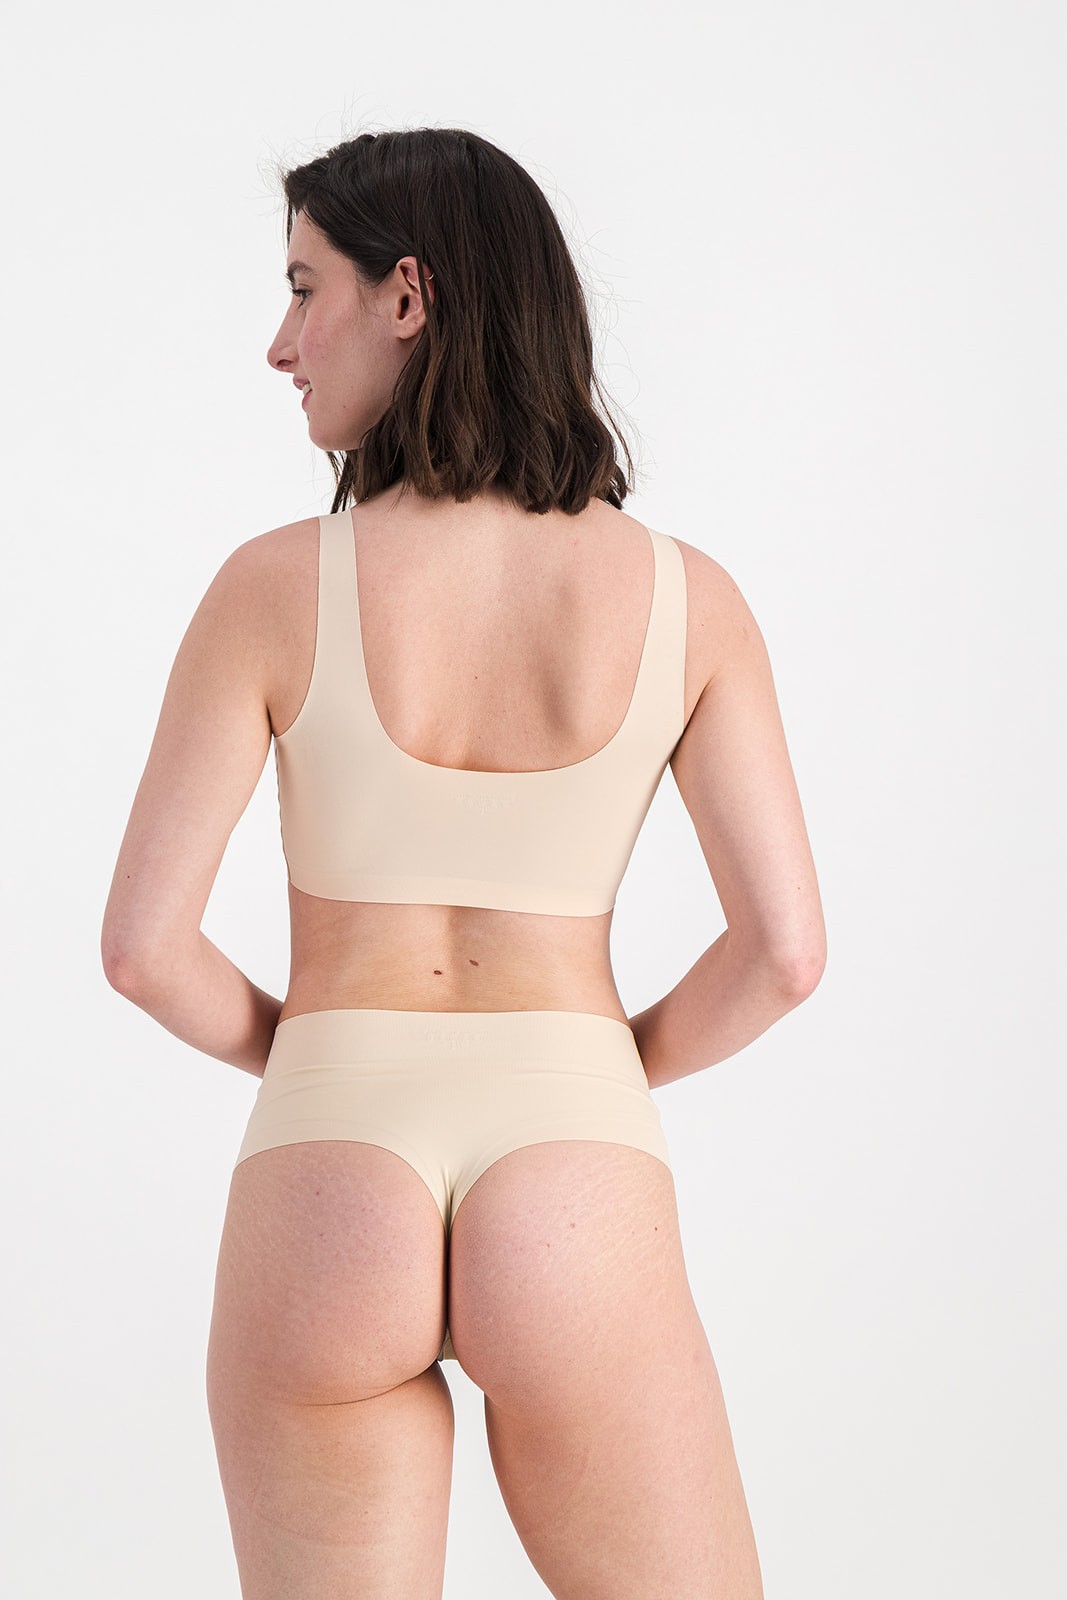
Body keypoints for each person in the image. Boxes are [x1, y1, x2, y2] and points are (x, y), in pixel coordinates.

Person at [101, 126, 825, 1599]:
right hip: (575, 1149)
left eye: (303, 289)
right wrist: (592, 1064)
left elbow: (142, 950)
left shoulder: (270, 589)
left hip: (328, 1156)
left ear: (408, 296)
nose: (279, 344)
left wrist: (331, 1052)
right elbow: (785, 955)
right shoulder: (689, 601)